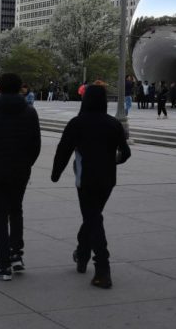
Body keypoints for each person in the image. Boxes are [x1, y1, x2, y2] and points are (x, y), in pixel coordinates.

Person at [52, 84, 131, 289]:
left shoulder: (78, 123)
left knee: (93, 219)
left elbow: (64, 150)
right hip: (107, 179)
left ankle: (102, 268)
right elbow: (125, 152)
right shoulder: (113, 123)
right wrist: (112, 160)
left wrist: (56, 173)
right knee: (92, 217)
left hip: (85, 178)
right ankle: (82, 253)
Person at [0, 73, 41, 281]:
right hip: (20, 169)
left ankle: (3, 264)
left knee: (0, 217)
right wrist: (27, 163)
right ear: (20, 88)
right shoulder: (30, 112)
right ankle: (16, 254)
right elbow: (35, 144)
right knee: (16, 211)